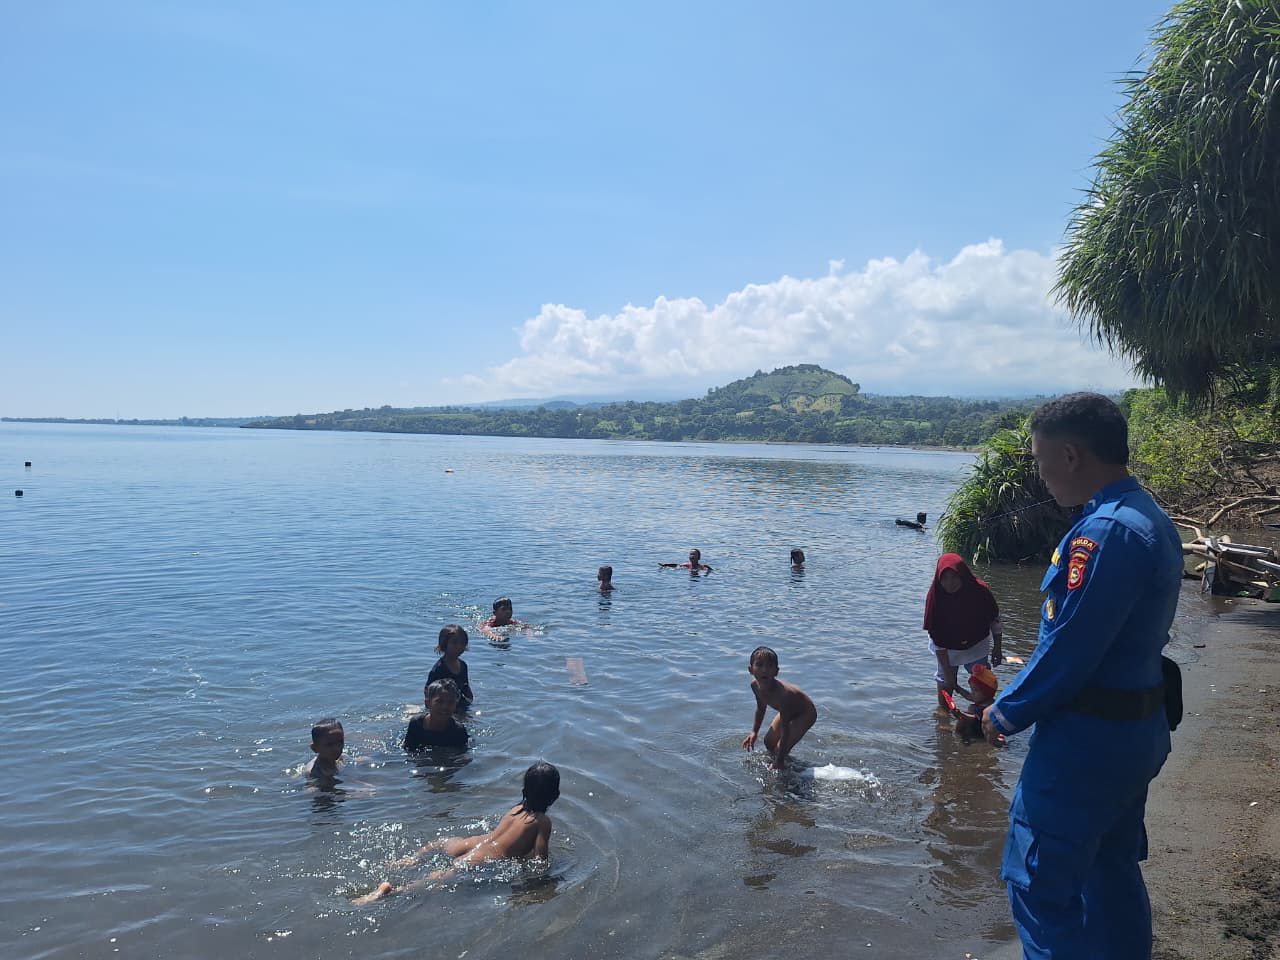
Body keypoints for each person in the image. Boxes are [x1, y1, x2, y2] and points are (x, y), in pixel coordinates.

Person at [981, 393, 1183, 959]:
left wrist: (1003, 712)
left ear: (1071, 455)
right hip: (1133, 730)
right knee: (1109, 874)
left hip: (1087, 744)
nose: (1042, 478)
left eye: (1042, 463)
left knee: (1039, 890)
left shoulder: (1106, 533)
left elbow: (1070, 649)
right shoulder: (1145, 515)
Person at [353, 761, 560, 903]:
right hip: (484, 858)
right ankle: (391, 891)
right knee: (440, 877)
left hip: (470, 843)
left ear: (524, 790)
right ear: (555, 795)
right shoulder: (542, 822)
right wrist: (542, 880)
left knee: (444, 842)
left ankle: (412, 859)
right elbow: (540, 858)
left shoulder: (516, 809)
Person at [924, 553, 1004, 707]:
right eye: (944, 578)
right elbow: (936, 638)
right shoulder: (935, 598)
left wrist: (998, 648)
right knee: (946, 683)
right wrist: (948, 674)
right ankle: (943, 720)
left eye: (954, 577)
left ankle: (984, 717)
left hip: (977, 645)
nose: (949, 583)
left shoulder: (980, 591)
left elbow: (995, 619)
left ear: (963, 576)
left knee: (983, 684)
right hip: (947, 648)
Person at [742, 646, 817, 769]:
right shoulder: (755, 686)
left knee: (779, 750)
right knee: (768, 742)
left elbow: (785, 729)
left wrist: (779, 760)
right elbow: (761, 709)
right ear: (750, 669)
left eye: (769, 666)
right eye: (759, 665)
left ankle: (784, 765)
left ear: (776, 671)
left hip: (805, 713)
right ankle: (786, 761)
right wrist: (754, 732)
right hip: (787, 710)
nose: (764, 670)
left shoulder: (783, 695)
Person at [403, 680, 469, 751]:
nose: (445, 706)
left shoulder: (458, 731)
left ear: (456, 705)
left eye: (451, 702)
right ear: (428, 703)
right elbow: (408, 751)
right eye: (439, 701)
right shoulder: (417, 724)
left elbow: (461, 757)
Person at [947, 662, 1001, 742]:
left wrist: (961, 715)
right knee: (967, 713)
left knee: (966, 715)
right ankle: (957, 733)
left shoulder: (989, 706)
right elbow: (968, 695)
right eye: (972, 690)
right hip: (973, 728)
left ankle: (959, 736)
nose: (972, 693)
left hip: (978, 733)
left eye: (975, 691)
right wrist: (957, 688)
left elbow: (975, 718)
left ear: (986, 693)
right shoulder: (981, 698)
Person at [426, 625, 474, 707]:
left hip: (460, 704)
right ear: (444, 644)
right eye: (454, 643)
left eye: (462, 643)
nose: (459, 646)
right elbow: (428, 692)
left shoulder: (463, 665)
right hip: (443, 707)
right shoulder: (439, 669)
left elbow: (466, 687)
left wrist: (470, 702)